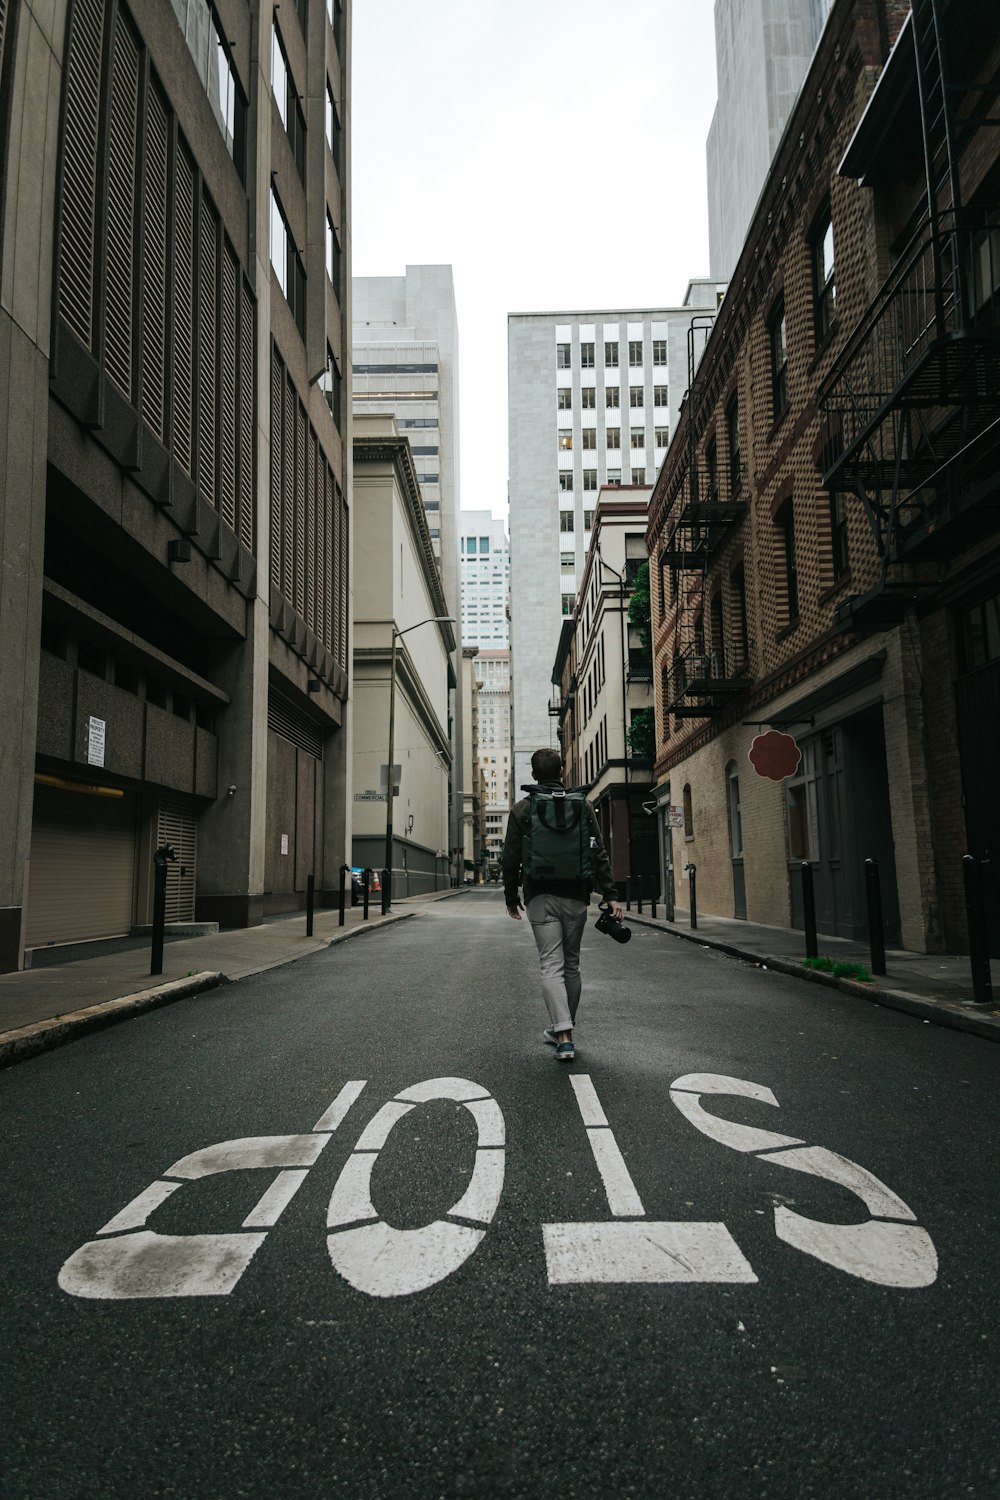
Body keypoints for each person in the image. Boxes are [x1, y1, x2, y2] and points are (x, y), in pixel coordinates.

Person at [502, 747, 623, 1062]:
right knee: (571, 964)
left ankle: (564, 1035)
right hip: (576, 895)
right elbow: (598, 852)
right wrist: (609, 894)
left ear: (533, 775)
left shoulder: (521, 810)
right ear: (562, 772)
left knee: (551, 964)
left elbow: (510, 859)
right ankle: (562, 1029)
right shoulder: (582, 807)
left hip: (540, 896)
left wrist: (511, 898)